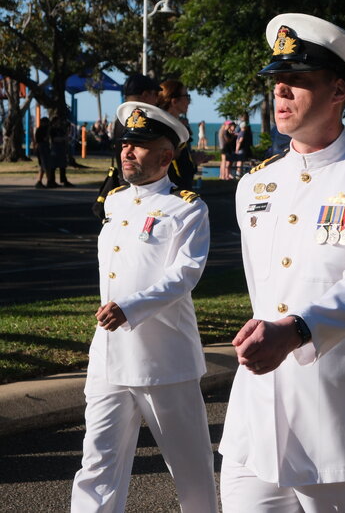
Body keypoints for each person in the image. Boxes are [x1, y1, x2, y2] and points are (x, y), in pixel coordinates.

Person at [218, 13, 345, 511]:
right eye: (277, 82)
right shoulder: (255, 184)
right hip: (255, 421)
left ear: (338, 93)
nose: (281, 93)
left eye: (299, 82)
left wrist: (298, 329)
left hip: (341, 424)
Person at [70, 102, 216, 513]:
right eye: (124, 144)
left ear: (167, 155)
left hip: (163, 361)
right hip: (108, 359)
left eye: (138, 145)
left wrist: (130, 307)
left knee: (189, 467)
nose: (126, 152)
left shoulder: (186, 207)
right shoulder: (114, 202)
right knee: (96, 461)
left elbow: (184, 274)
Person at [92, 75, 161, 219]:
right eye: (155, 94)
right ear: (145, 94)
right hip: (137, 185)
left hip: (127, 183)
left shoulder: (122, 118)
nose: (157, 99)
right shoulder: (140, 119)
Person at [158, 79, 200, 190]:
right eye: (186, 97)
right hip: (172, 187)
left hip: (180, 184)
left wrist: (193, 161)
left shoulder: (175, 124)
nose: (189, 102)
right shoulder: (165, 126)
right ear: (174, 101)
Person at [34, 116, 53, 188]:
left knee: (43, 166)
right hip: (42, 148)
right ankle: (48, 180)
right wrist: (48, 131)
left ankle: (42, 181)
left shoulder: (42, 129)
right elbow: (45, 139)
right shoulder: (40, 130)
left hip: (45, 148)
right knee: (45, 165)